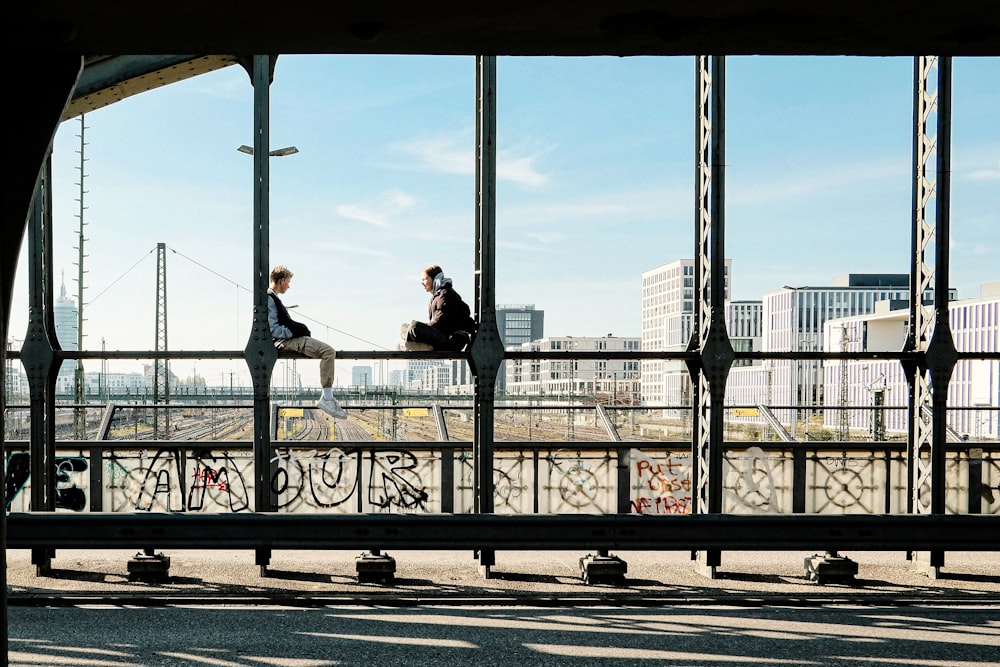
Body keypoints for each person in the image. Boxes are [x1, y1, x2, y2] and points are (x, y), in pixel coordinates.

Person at [267, 265, 347, 419]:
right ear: (281, 280)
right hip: (287, 341)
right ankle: (327, 398)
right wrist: (294, 331)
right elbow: (274, 330)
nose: (289, 286)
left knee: (327, 351)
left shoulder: (272, 298)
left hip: (288, 339)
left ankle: (328, 398)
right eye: (288, 282)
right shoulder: (270, 298)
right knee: (328, 352)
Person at [398, 264, 477, 351]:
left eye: (425, 279)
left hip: (451, 340)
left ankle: (414, 344)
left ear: (435, 278)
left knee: (415, 327)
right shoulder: (437, 296)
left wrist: (425, 327)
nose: (422, 283)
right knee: (405, 327)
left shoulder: (446, 294)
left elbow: (441, 323)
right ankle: (418, 344)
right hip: (444, 336)